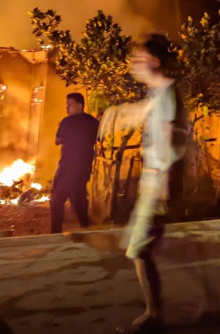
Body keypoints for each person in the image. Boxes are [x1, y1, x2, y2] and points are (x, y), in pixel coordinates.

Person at [99, 34, 187, 333]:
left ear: (154, 61)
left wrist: (163, 182)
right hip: (153, 179)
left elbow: (170, 133)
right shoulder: (159, 94)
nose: (134, 65)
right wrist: (120, 112)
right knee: (141, 248)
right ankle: (155, 311)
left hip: (157, 179)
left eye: (138, 59)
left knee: (138, 247)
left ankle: (154, 315)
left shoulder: (167, 93)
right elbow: (146, 111)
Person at [51, 92, 99, 234]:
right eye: (66, 105)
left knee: (57, 200)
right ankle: (86, 228)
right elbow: (99, 138)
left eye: (70, 105)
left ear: (80, 105)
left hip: (67, 168)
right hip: (83, 169)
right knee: (79, 198)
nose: (67, 108)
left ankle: (55, 233)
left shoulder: (66, 122)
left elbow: (57, 140)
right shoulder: (93, 122)